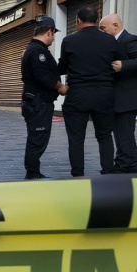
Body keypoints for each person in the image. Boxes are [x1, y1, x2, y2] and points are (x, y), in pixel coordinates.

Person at [58, 6, 118, 177]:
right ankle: (108, 172)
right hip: (104, 94)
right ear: (97, 20)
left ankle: (78, 175)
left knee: (76, 139)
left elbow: (62, 67)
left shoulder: (69, 41)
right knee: (105, 136)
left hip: (78, 94)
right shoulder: (110, 40)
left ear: (78, 20)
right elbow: (116, 64)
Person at [20, 16, 67, 180]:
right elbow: (43, 76)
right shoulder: (38, 51)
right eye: (53, 35)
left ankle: (33, 171)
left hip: (35, 102)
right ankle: (32, 174)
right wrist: (61, 87)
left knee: (36, 139)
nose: (53, 39)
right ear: (49, 31)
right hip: (38, 104)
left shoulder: (32, 48)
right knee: (37, 140)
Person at [99, 14, 137, 173]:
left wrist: (124, 65)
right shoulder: (110, 43)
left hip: (127, 98)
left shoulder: (130, 40)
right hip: (117, 98)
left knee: (124, 132)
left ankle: (128, 164)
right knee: (120, 132)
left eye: (103, 28)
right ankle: (123, 161)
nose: (101, 32)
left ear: (115, 25)